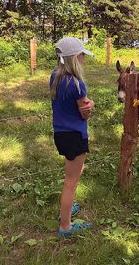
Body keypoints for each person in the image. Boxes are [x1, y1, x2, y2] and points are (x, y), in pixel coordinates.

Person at [50, 36, 95, 237]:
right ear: (75, 58)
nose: (84, 59)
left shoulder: (55, 77)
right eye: (82, 55)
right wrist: (90, 106)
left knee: (71, 176)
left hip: (60, 134)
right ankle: (65, 225)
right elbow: (84, 112)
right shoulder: (77, 85)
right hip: (75, 135)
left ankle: (66, 209)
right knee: (71, 181)